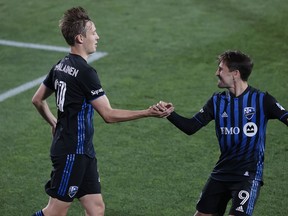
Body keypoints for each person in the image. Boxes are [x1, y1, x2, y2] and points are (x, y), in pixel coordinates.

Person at [31, 7, 173, 216]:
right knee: (55, 211)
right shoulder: (85, 72)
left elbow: (37, 100)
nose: (98, 36)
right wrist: (148, 112)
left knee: (96, 208)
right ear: (80, 38)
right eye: (94, 32)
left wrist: (54, 123)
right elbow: (108, 114)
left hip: (83, 151)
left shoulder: (60, 65)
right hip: (72, 151)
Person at [155, 50, 288, 216]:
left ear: (235, 74)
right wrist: (169, 114)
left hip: (247, 176)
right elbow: (191, 127)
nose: (216, 73)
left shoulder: (262, 100)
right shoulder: (217, 101)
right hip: (221, 173)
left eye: (220, 69)